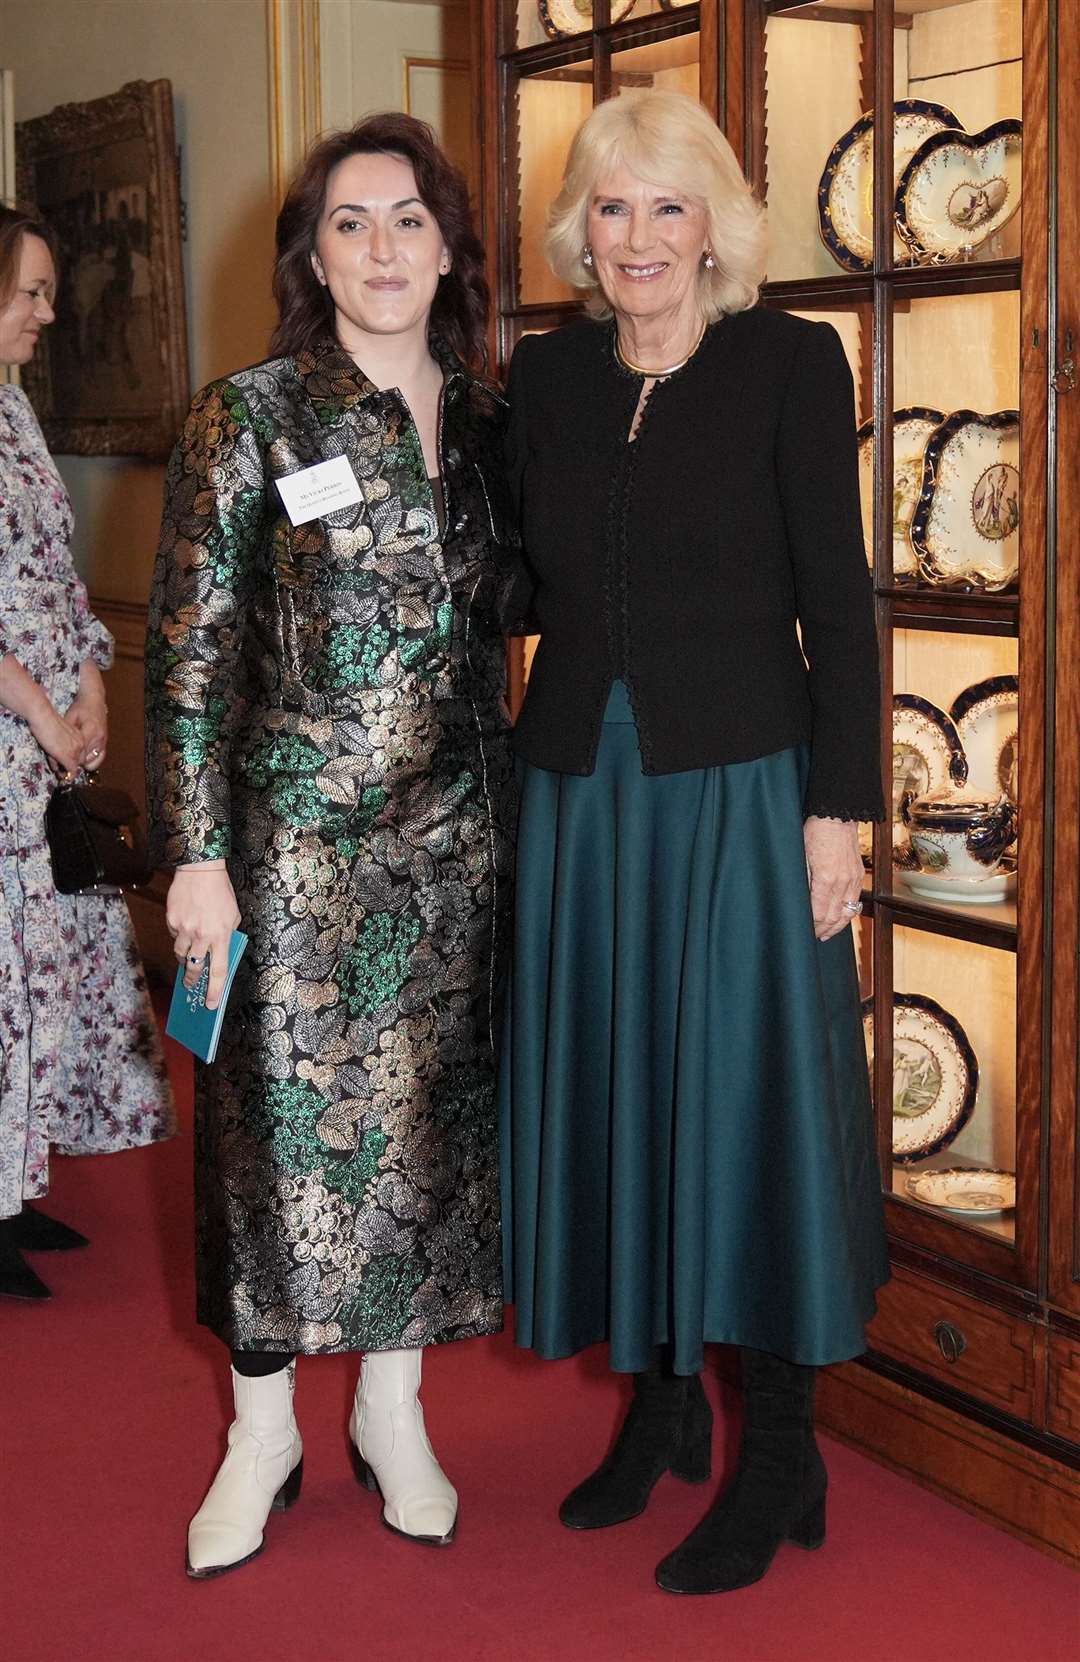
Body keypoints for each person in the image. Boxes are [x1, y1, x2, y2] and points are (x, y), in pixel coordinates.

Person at [498, 89, 889, 1596]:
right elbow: (519, 585)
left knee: (748, 1111)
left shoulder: (792, 363)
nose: (641, 236)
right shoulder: (546, 381)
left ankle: (781, 1448)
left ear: (717, 224)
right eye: (613, 207)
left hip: (741, 787)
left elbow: (839, 612)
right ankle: (658, 1410)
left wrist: (839, 814)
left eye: (670, 206)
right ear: (580, 234)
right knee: (622, 1097)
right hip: (583, 793)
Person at [146, 113, 515, 1580]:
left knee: (427, 1141)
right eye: (351, 222)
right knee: (271, 1147)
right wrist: (192, 854)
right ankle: (262, 1429)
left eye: (410, 219)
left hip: (461, 841)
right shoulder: (250, 415)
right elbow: (185, 650)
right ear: (311, 250)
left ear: (448, 248)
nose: (382, 249)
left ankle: (391, 1408)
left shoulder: (493, 420)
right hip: (286, 851)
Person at [0, 205, 174, 1302]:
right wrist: (39, 710)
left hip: (46, 747)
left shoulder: (13, 415)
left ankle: (17, 1187)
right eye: (29, 291)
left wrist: (97, 681)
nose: (47, 312)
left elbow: (54, 580)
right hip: (7, 745)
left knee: (52, 967)